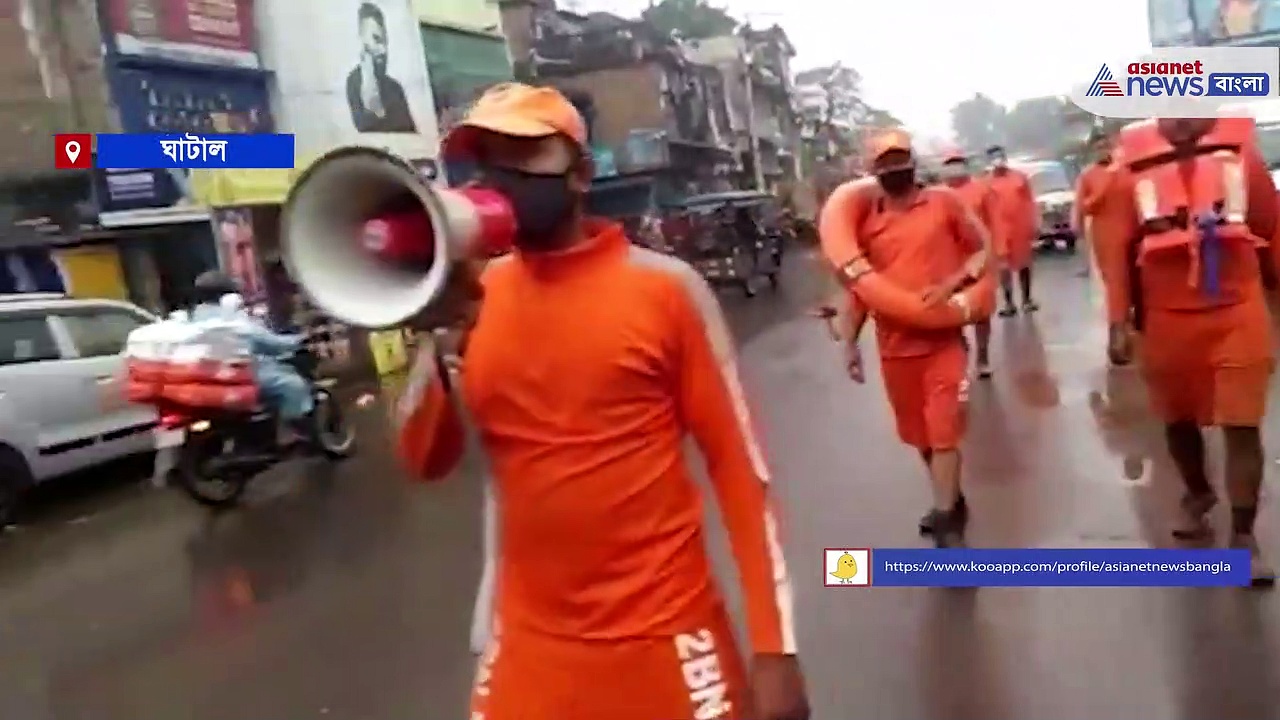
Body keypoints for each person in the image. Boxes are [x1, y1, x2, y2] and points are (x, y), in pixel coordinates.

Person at [394, 83, 809, 720]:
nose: (500, 177)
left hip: (669, 639)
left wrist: (774, 648)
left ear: (580, 174)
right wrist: (438, 343)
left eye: (524, 155)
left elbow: (740, 474)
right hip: (528, 647)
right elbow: (424, 461)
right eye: (487, 158)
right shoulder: (473, 298)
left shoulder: (665, 291)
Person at [1091, 117, 1280, 585]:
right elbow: (1116, 254)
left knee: (1242, 424)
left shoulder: (1241, 157)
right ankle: (1198, 492)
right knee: (1178, 422)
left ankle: (1242, 537)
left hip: (1238, 310)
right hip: (1166, 317)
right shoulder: (1126, 171)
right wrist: (1118, 322)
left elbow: (1273, 229)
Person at [818, 129, 991, 547]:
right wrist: (849, 344)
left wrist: (952, 284)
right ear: (873, 171)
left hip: (943, 343)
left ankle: (948, 524)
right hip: (896, 351)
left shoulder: (944, 203)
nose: (895, 169)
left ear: (913, 162)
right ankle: (952, 499)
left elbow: (982, 251)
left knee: (944, 431)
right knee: (923, 439)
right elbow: (863, 290)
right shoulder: (868, 224)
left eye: (900, 160)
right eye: (885, 163)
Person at [191, 272, 314, 440]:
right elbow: (272, 344)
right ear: (228, 295)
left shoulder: (195, 318)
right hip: (243, 376)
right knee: (294, 385)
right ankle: (296, 433)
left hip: (210, 378)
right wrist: (301, 339)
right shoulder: (234, 320)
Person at [939, 149, 998, 379]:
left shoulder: (981, 189)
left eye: (958, 162)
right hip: (949, 263)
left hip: (979, 260)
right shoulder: (938, 195)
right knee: (953, 312)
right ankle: (960, 357)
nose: (955, 167)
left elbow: (993, 222)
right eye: (950, 163)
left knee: (982, 312)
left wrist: (996, 253)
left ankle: (983, 358)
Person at [346, 2, 417, 133]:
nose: (383, 50)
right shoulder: (354, 82)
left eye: (385, 41)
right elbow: (366, 129)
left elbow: (410, 133)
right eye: (376, 39)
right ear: (361, 38)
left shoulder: (394, 88)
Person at [985, 144, 1039, 315]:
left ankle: (1027, 299)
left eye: (1000, 155)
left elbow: (1030, 202)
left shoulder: (1020, 178)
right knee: (1004, 268)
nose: (998, 160)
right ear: (989, 161)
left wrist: (1034, 222)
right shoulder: (985, 183)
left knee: (1024, 264)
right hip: (998, 230)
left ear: (1005, 157)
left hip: (1019, 228)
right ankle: (1009, 303)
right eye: (994, 157)